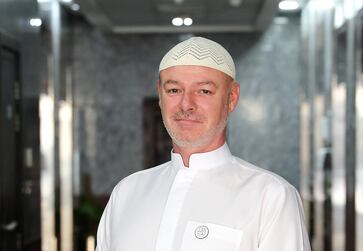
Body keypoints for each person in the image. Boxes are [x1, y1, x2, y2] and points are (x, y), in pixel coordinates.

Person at [96, 37, 311, 251]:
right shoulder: (126, 193)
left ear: (232, 98)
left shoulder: (271, 196)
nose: (186, 104)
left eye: (204, 91)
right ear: (160, 96)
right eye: (174, 90)